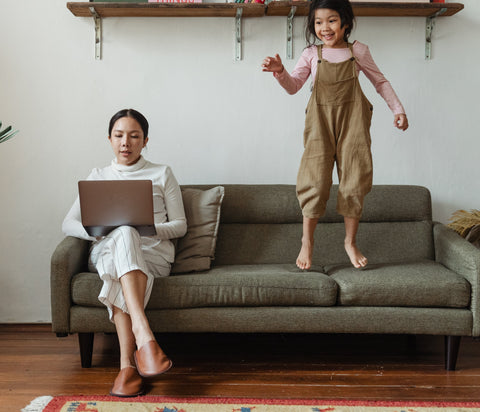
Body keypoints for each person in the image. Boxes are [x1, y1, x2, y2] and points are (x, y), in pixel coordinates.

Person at [261, 0, 408, 270]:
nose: (324, 27)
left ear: (345, 23)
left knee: (353, 182)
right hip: (319, 126)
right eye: (318, 22)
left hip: (354, 124)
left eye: (331, 20)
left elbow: (380, 82)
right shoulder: (310, 54)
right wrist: (280, 72)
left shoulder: (358, 51)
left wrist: (398, 110)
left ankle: (350, 242)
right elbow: (294, 87)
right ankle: (307, 241)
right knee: (314, 182)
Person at [62, 109, 187, 397]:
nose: (125, 143)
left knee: (127, 236)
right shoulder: (97, 176)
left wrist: (146, 228)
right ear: (109, 139)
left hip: (152, 253)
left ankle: (127, 367)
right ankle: (144, 336)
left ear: (145, 141)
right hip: (107, 249)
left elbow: (180, 225)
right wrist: (99, 231)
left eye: (134, 136)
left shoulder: (162, 173)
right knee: (123, 234)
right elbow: (67, 223)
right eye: (119, 136)